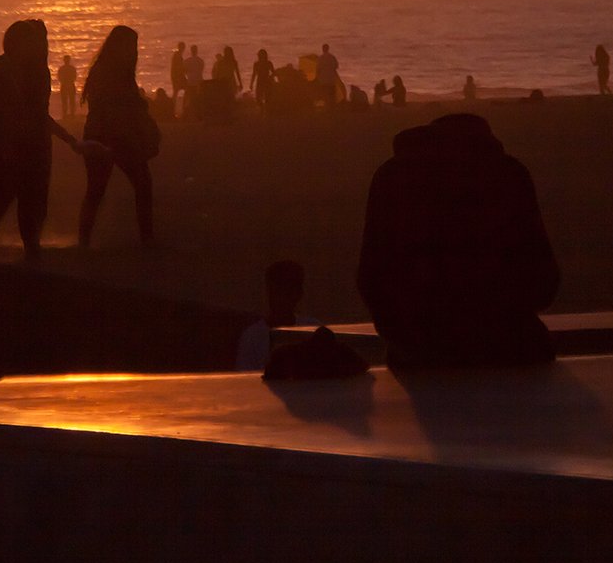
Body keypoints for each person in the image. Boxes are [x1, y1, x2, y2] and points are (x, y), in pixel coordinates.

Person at [356, 113, 560, 368]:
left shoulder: (391, 175)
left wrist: (400, 331)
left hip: (420, 348)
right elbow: (542, 275)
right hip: (514, 344)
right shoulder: (509, 173)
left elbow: (372, 273)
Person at [0, 20, 102, 262]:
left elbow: (37, 113)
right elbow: (21, 110)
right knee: (10, 193)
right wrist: (68, 139)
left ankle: (13, 242)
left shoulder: (34, 70)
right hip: (13, 141)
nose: (39, 45)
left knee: (25, 194)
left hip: (30, 141)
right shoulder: (6, 67)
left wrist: (68, 139)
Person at [78, 25, 160, 248]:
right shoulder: (108, 73)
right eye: (131, 46)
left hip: (112, 135)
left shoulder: (113, 72)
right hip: (108, 136)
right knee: (102, 188)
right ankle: (144, 238)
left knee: (131, 185)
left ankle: (145, 237)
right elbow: (110, 108)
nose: (134, 51)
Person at [235, 260, 306, 371]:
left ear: (298, 294)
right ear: (269, 291)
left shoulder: (312, 331)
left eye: (288, 291)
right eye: (278, 290)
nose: (282, 298)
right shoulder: (251, 337)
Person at [57, 53, 79, 119]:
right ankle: (67, 114)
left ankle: (69, 114)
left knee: (69, 101)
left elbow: (60, 78)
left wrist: (66, 82)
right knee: (67, 101)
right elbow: (74, 77)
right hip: (68, 85)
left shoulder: (63, 69)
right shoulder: (70, 68)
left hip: (67, 85)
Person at [170, 41, 188, 117]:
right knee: (183, 90)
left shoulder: (177, 55)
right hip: (178, 77)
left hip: (177, 76)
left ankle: (175, 108)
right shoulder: (178, 56)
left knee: (177, 92)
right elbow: (178, 67)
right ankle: (178, 108)